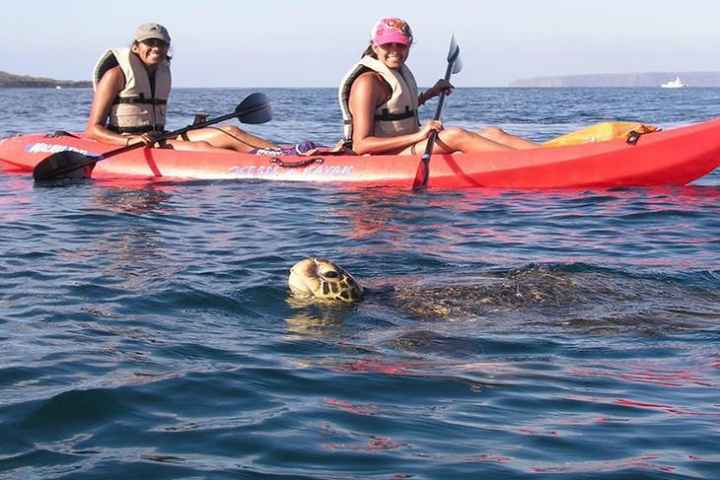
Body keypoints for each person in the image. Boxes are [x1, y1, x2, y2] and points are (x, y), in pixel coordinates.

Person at [339, 18, 538, 155]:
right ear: (375, 47)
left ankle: (552, 155)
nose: (395, 51)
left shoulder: (397, 73)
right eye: (387, 45)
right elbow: (361, 145)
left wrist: (430, 94)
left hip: (407, 145)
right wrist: (419, 135)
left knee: (493, 133)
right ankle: (534, 165)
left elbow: (395, 111)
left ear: (409, 45)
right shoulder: (367, 83)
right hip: (383, 156)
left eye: (401, 45)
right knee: (455, 135)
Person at [86, 23, 278, 153]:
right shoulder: (115, 75)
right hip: (130, 141)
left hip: (160, 137)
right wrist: (129, 141)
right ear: (136, 47)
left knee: (230, 131)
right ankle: (268, 165)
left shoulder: (161, 73)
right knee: (202, 146)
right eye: (150, 42)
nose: (156, 48)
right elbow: (93, 130)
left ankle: (286, 154)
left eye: (162, 44)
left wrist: (195, 127)